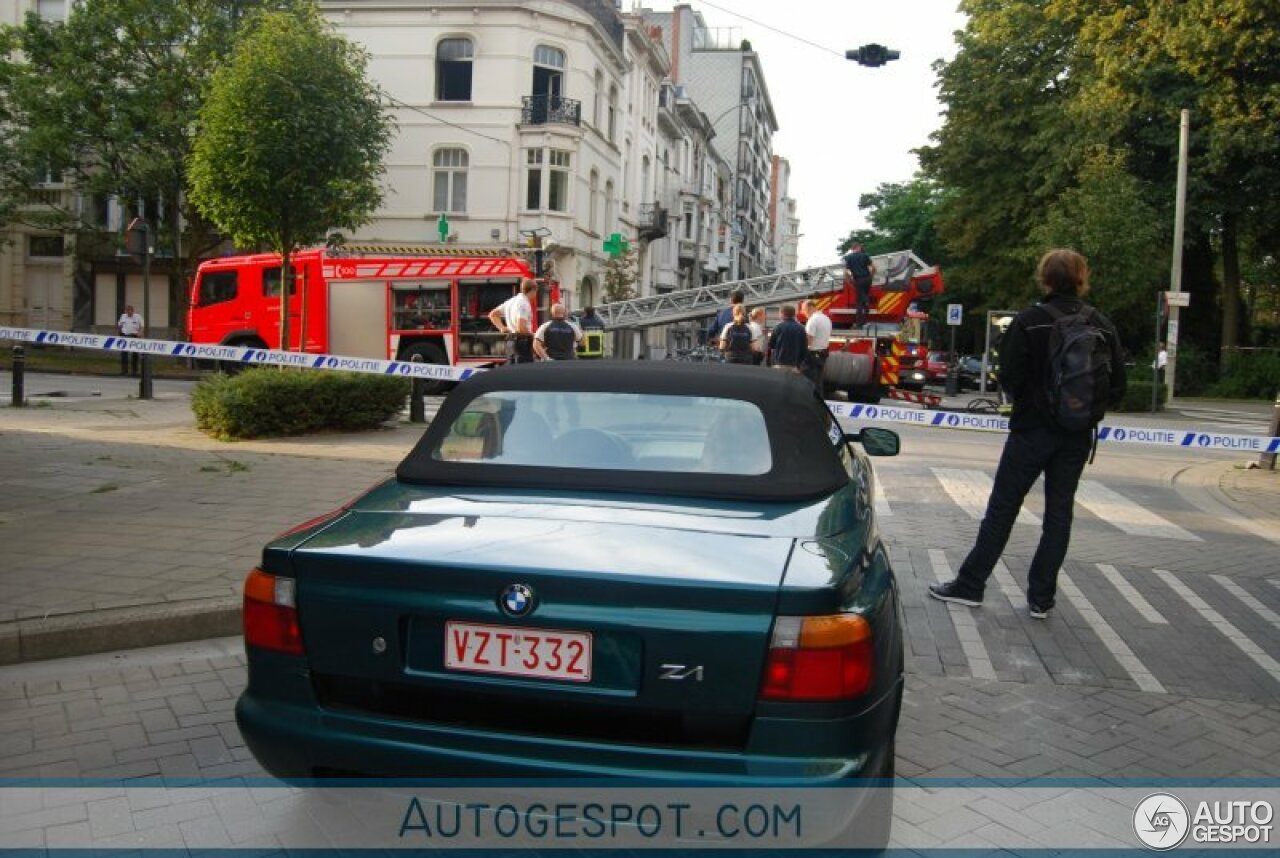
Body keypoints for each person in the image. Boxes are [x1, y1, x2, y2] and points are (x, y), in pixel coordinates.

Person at [928, 248, 1126, 619]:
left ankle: (971, 585)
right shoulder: (1100, 323)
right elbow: (1118, 384)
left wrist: (1030, 401)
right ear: (1082, 279)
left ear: (1045, 278)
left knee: (1003, 508)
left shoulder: (1030, 320)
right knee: (1059, 514)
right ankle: (1041, 598)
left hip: (1031, 430)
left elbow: (1009, 376)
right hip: (1077, 435)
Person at [488, 278, 537, 364]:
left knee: (512, 371)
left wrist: (502, 328)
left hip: (510, 340)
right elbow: (521, 328)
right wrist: (534, 337)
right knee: (524, 372)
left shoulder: (511, 301)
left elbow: (493, 314)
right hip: (522, 342)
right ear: (533, 290)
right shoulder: (524, 303)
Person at [767, 304, 808, 374]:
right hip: (795, 364)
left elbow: (771, 345)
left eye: (779, 313)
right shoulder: (801, 328)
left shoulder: (778, 327)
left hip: (780, 363)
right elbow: (804, 347)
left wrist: (769, 361)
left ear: (783, 314)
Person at [842, 243, 876, 328]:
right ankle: (866, 302)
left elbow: (846, 272)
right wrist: (870, 276)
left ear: (852, 249)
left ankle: (859, 324)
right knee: (865, 296)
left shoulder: (849, 258)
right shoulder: (865, 256)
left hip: (858, 280)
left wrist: (849, 281)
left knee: (859, 303)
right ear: (859, 248)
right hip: (867, 279)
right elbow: (874, 268)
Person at [802, 298, 832, 387]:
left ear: (809, 308)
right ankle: (818, 399)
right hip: (823, 354)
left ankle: (807, 400)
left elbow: (808, 341)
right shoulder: (826, 318)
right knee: (818, 383)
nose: (803, 313)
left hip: (812, 356)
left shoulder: (813, 320)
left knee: (808, 383)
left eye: (803, 310)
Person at [116, 304, 144, 376]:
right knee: (124, 354)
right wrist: (119, 334)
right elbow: (120, 326)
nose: (129, 312)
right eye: (127, 311)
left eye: (130, 311)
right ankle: (124, 371)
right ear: (126, 311)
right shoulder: (123, 316)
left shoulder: (138, 316)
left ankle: (134, 371)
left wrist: (140, 333)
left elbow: (142, 326)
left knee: (135, 354)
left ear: (133, 311)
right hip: (125, 336)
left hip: (134, 336)